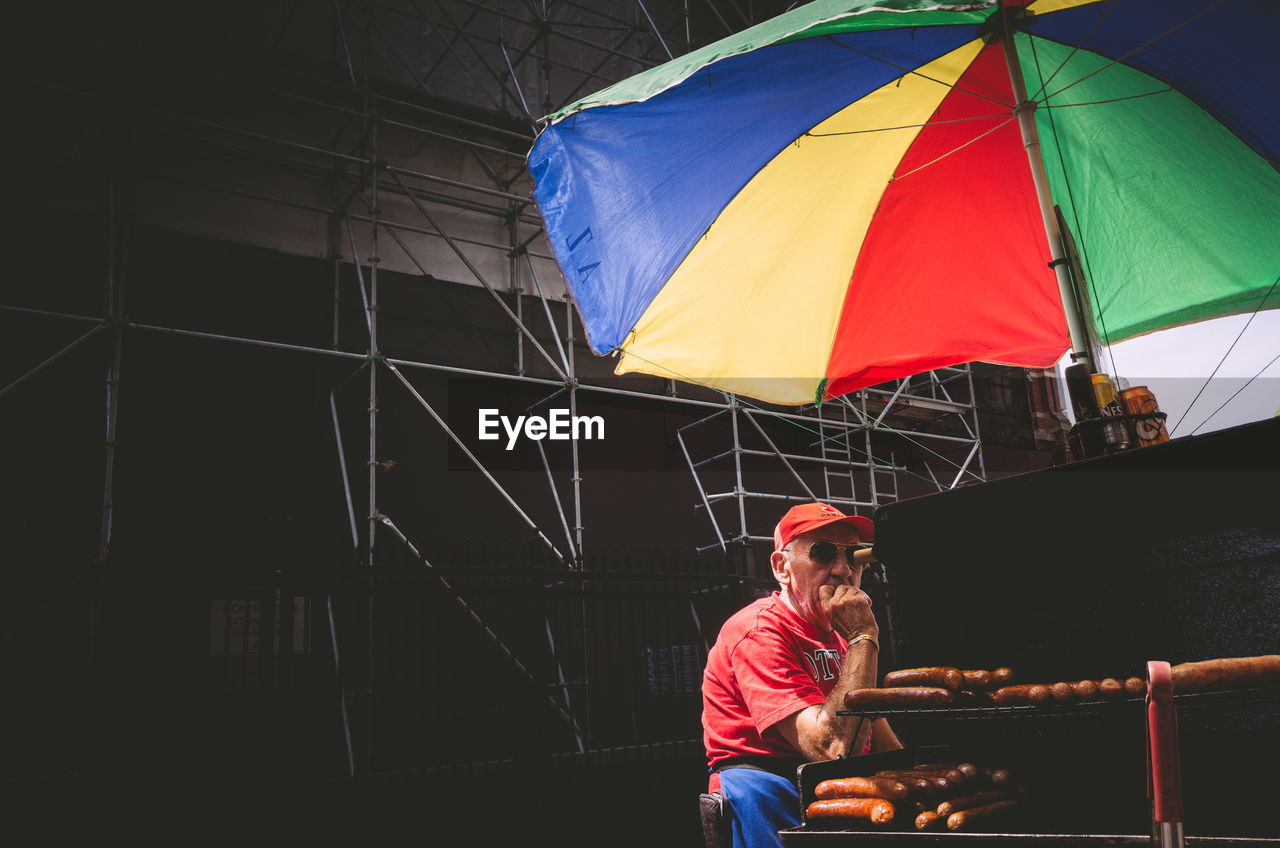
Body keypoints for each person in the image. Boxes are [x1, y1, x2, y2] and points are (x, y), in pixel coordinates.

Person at [701, 502, 901, 847]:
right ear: (783, 567)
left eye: (854, 556)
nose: (842, 569)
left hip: (826, 789)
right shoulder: (758, 631)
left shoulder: (841, 635)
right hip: (767, 794)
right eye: (823, 554)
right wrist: (864, 639)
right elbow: (832, 748)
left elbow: (875, 730)